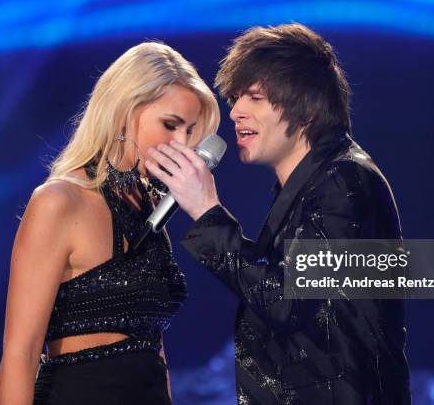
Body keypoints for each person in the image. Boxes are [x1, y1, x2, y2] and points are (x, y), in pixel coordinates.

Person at [146, 24, 411, 404]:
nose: (235, 111)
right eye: (236, 97)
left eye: (254, 97)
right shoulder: (314, 182)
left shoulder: (343, 181)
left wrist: (206, 211)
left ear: (305, 107)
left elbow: (286, 300)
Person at [0, 42, 220, 405]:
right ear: (125, 110)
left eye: (190, 131)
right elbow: (19, 356)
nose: (182, 143)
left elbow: (153, 345)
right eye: (170, 125)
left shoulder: (148, 208)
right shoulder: (58, 202)